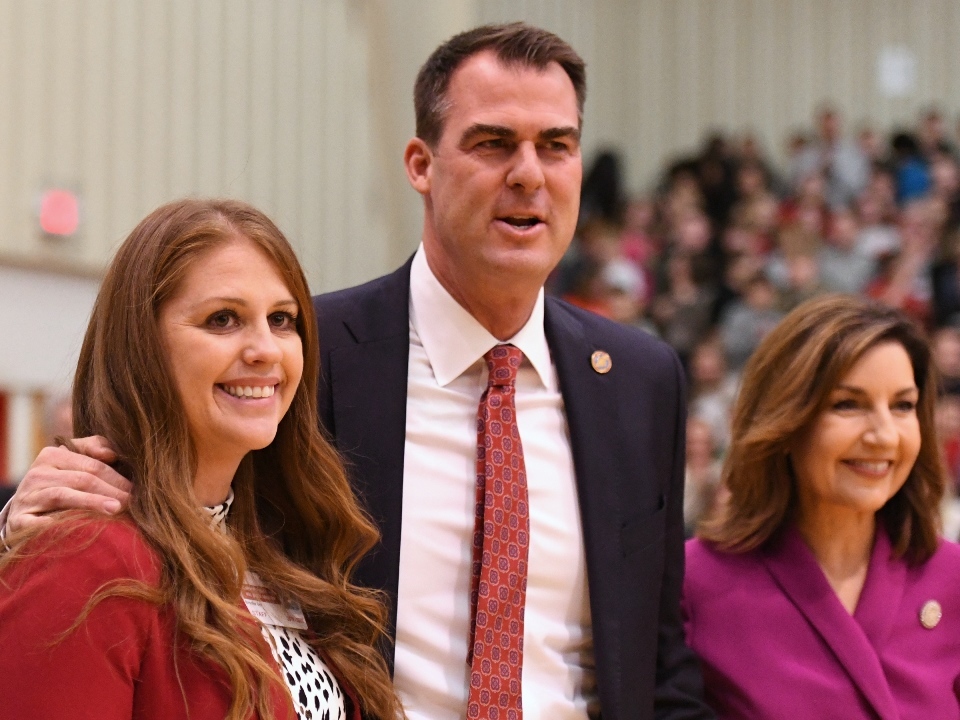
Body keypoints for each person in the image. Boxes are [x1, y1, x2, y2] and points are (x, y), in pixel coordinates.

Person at [4, 24, 711, 720]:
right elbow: (149, 515)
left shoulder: (641, 381)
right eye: (493, 143)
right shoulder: (305, 361)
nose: (528, 173)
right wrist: (20, 519)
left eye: (556, 145)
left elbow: (657, 660)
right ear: (420, 164)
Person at [0, 199, 402, 720]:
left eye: (281, 319)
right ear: (142, 345)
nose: (266, 349)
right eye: (223, 319)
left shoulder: (279, 548)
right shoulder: (86, 553)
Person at [683, 294, 959, 719]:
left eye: (903, 406)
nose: (885, 435)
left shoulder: (951, 577)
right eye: (848, 404)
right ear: (785, 421)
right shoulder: (693, 582)